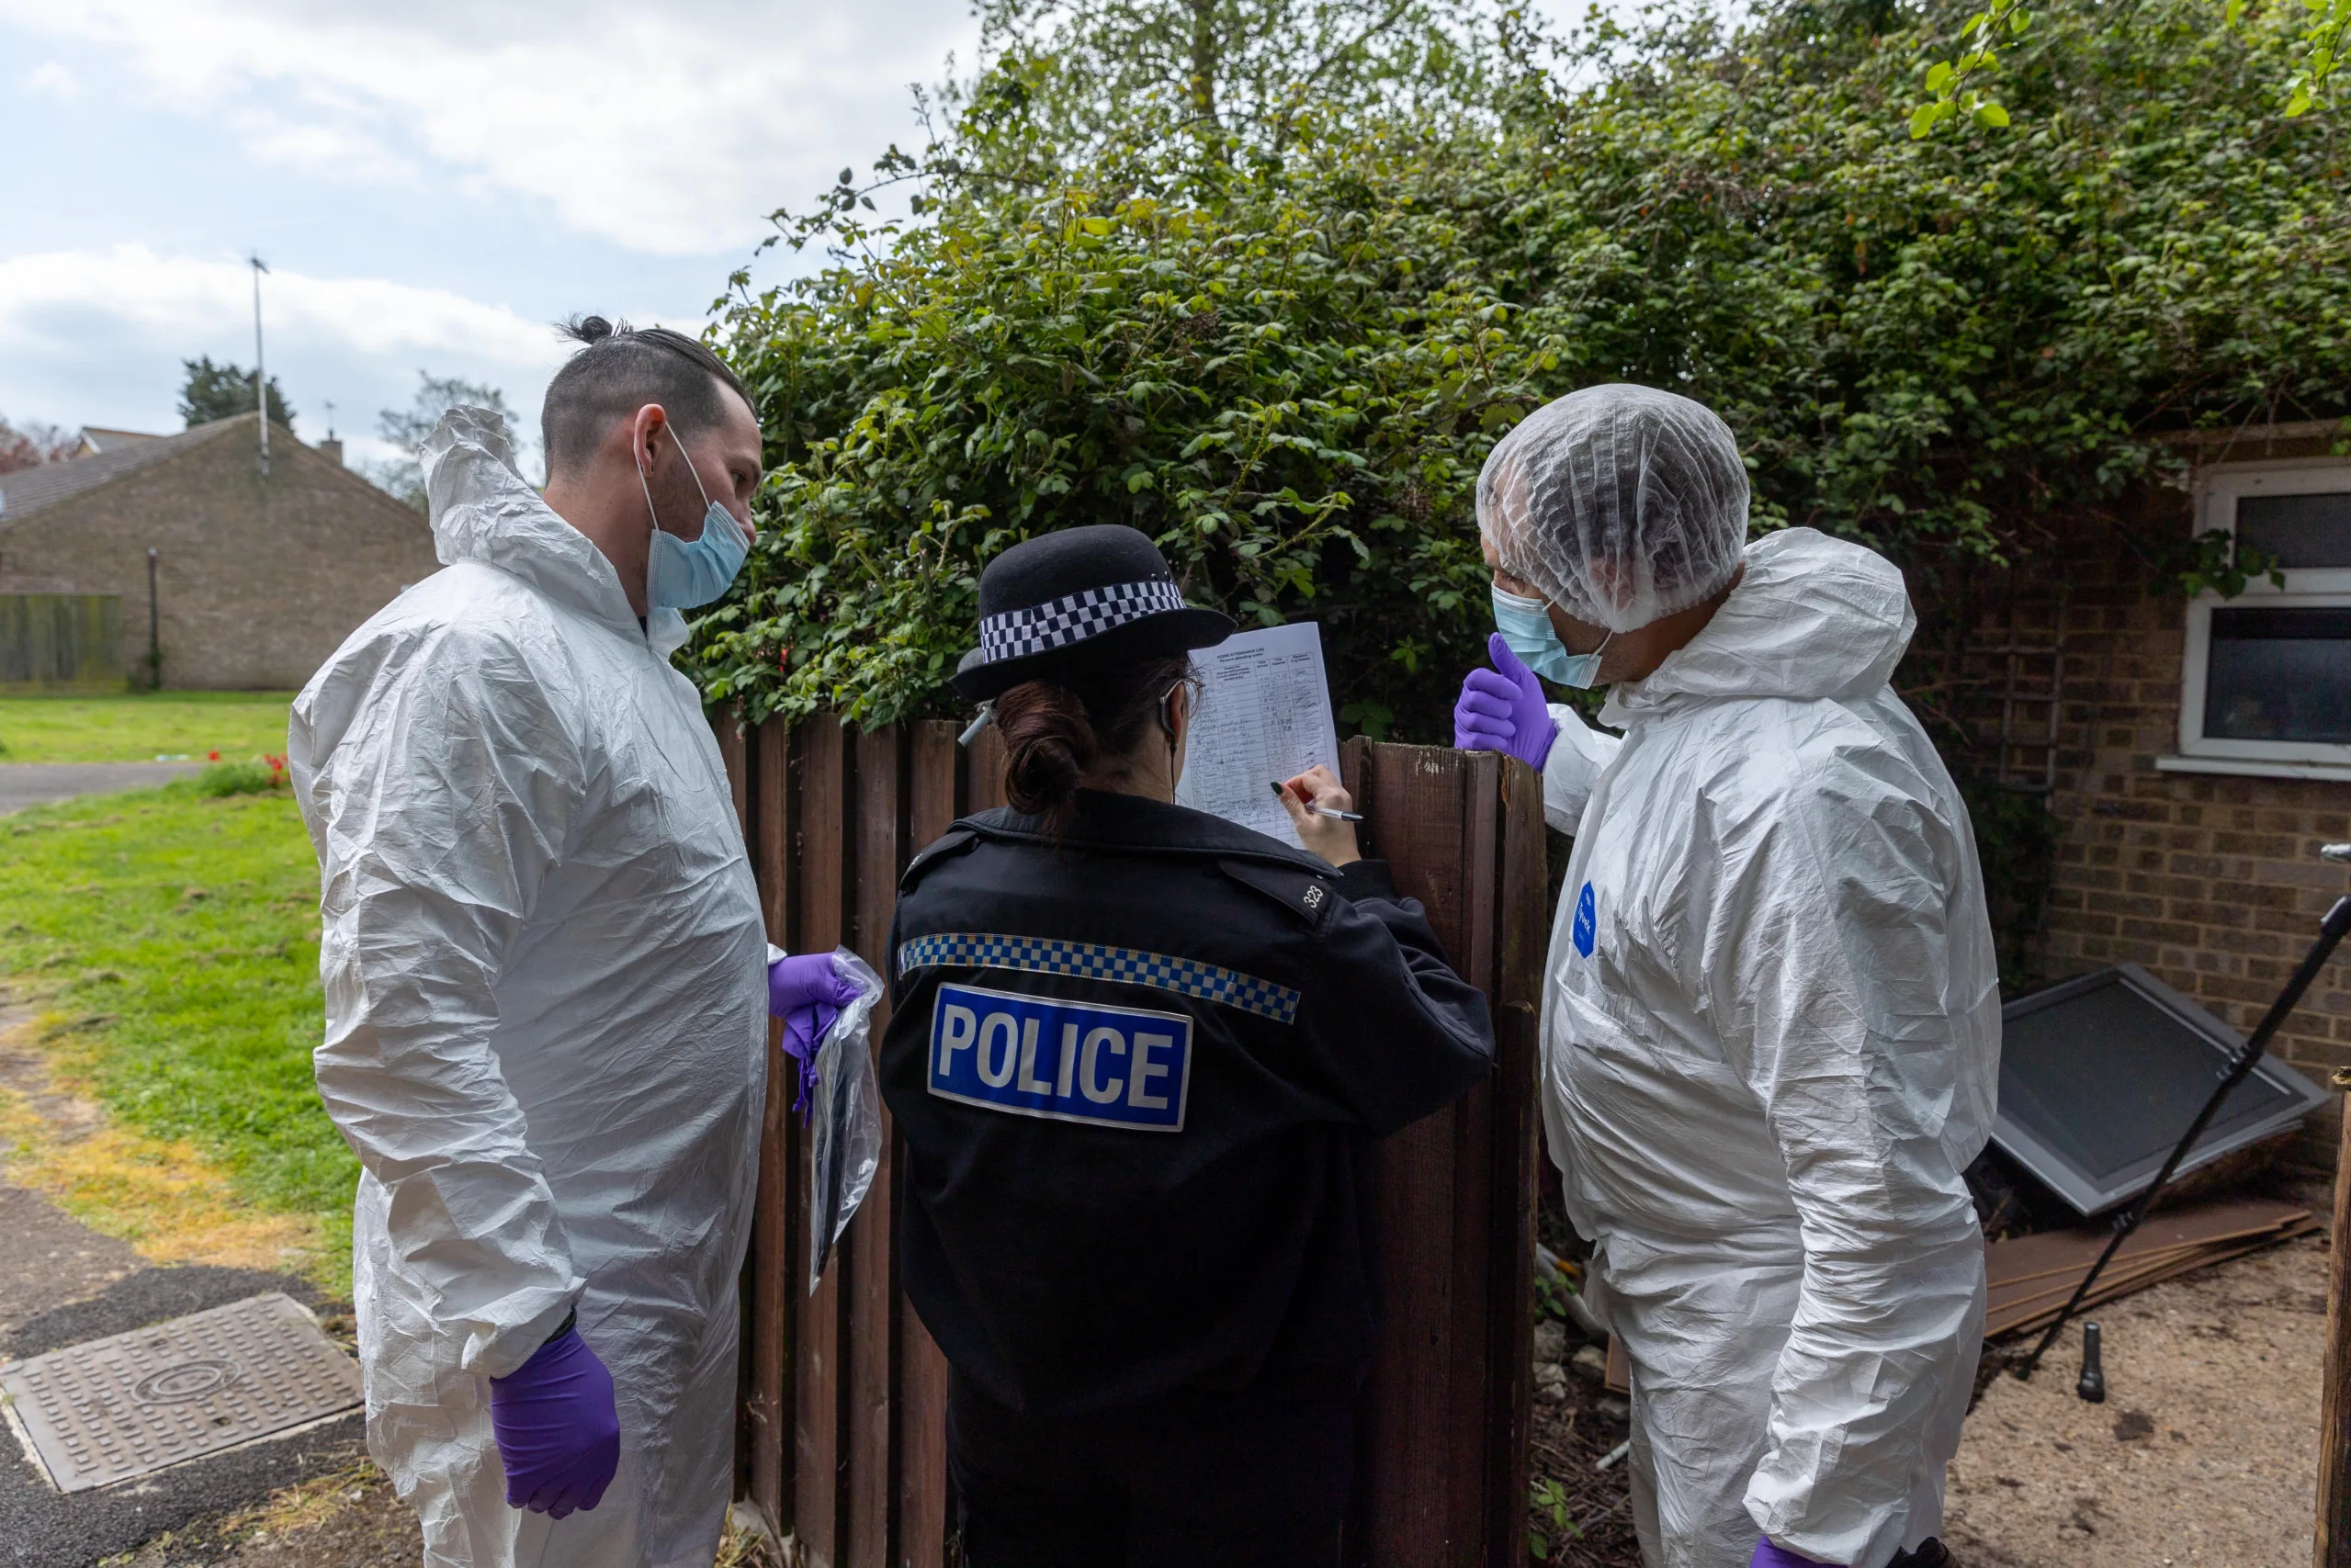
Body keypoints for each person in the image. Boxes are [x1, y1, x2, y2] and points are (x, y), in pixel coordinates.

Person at [288, 317, 856, 1568]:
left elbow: (594, 926)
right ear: (650, 440)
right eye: (743, 478)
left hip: (643, 1281)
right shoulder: (473, 653)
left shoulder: (631, 662)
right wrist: (527, 1332)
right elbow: (402, 1017)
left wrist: (759, 979)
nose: (752, 524)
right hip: (548, 1293)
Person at [1452, 385, 1998, 1568]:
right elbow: (1691, 869)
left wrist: (1811, 1527)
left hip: (1779, 1345)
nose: (1503, 592)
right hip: (1712, 1303)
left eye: (1512, 567)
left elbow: (1886, 1210)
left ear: (1604, 564)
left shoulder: (1799, 799)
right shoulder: (1712, 696)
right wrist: (1562, 763)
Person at [879, 524, 1498, 1567]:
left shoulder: (937, 898)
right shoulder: (1276, 924)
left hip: (1011, 1423)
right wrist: (1347, 872)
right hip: (1234, 1459)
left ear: (1013, 718)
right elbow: (1441, 1042)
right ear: (1177, 706)